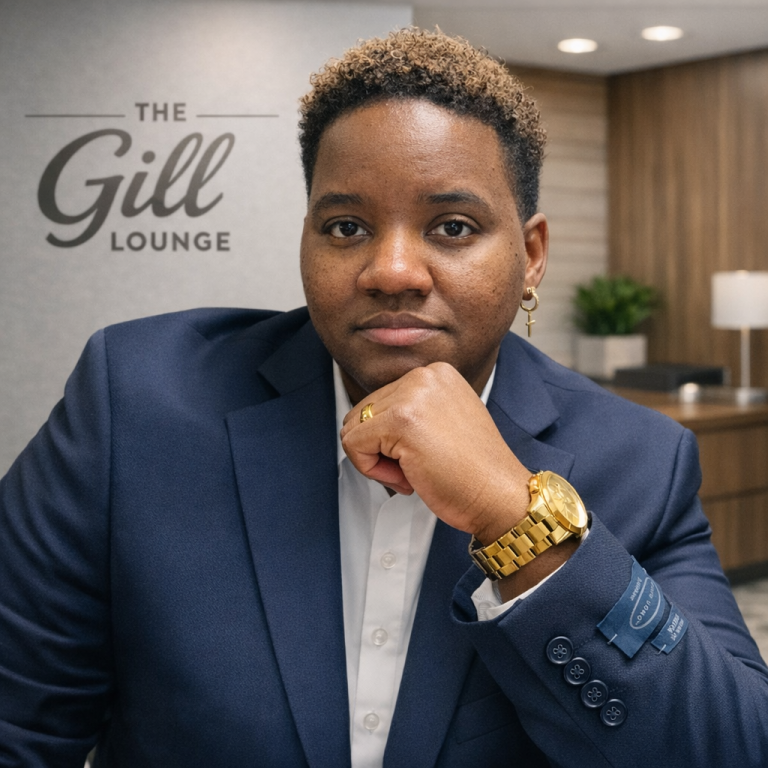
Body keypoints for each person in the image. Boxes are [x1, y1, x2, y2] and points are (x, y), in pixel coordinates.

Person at [1, 27, 766, 768]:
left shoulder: (641, 462)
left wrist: (519, 522)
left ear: (531, 256)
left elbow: (733, 747)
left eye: (453, 226)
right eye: (346, 226)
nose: (392, 270)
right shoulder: (133, 406)